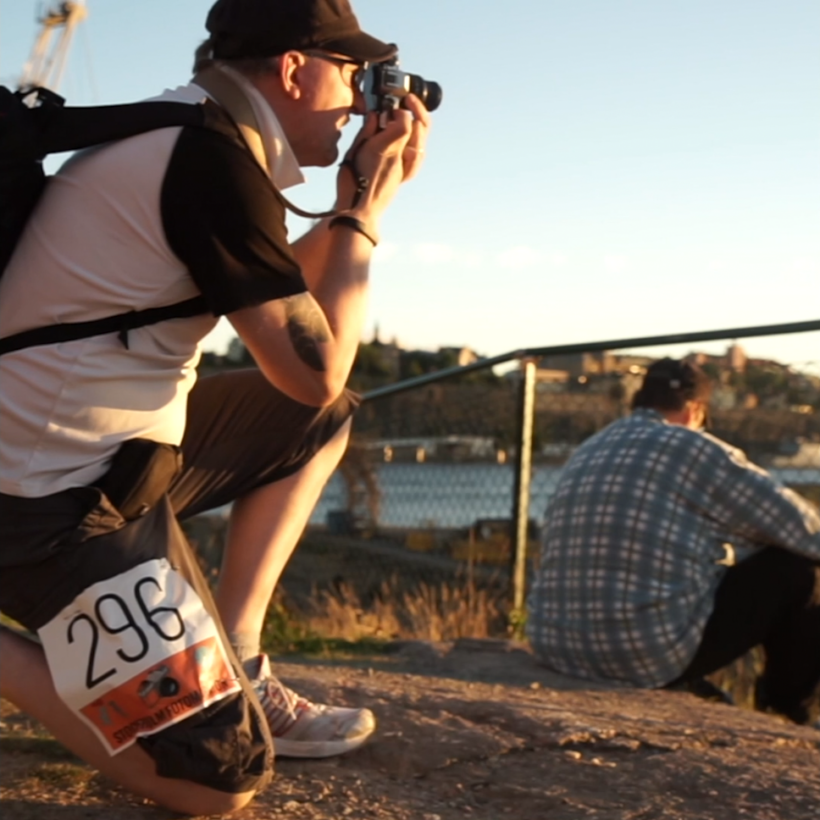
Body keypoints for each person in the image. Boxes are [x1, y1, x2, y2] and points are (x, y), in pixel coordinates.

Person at [0, 0, 430, 813]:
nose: (358, 103)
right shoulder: (207, 161)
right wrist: (367, 208)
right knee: (216, 784)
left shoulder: (192, 139)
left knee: (313, 423)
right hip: (44, 512)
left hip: (108, 463)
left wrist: (352, 206)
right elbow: (316, 366)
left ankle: (240, 658)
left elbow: (277, 297)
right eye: (352, 74)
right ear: (295, 69)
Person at [527, 358, 820, 727]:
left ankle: (695, 689)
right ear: (696, 409)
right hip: (642, 655)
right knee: (796, 569)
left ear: (640, 400)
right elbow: (805, 530)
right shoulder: (696, 448)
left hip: (556, 646)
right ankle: (786, 713)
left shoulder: (590, 447)